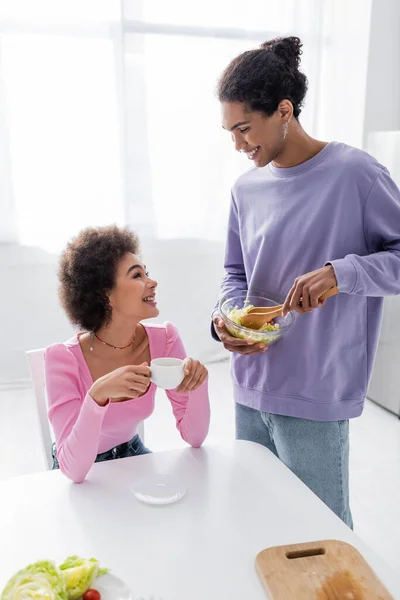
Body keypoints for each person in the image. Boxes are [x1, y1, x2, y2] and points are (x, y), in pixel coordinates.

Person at [212, 36, 400, 528]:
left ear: (283, 111)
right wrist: (224, 318)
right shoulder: (245, 189)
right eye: (230, 132)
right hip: (250, 387)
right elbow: (236, 274)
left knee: (324, 534)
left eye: (244, 128)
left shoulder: (355, 174)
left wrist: (344, 273)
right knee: (258, 526)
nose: (238, 144)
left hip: (316, 391)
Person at [45, 225, 210, 483]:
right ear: (105, 294)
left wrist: (198, 384)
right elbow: (73, 470)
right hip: (81, 471)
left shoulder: (164, 339)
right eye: (137, 276)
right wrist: (97, 395)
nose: (152, 283)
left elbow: (195, 437)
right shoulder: (62, 359)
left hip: (134, 456)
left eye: (147, 273)